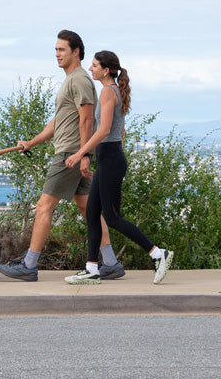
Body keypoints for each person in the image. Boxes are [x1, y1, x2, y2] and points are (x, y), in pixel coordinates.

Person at [0, 29, 121, 282]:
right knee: (88, 207)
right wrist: (32, 142)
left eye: (61, 49)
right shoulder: (71, 80)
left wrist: (82, 155)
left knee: (44, 206)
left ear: (76, 52)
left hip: (70, 154)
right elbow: (60, 120)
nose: (57, 54)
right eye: (55, 49)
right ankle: (110, 262)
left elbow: (87, 118)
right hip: (73, 152)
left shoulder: (79, 79)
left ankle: (29, 265)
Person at [61, 50, 174, 285]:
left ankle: (157, 253)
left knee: (112, 217)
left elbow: (103, 130)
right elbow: (118, 131)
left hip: (111, 160)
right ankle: (92, 268)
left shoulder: (107, 92)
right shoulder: (113, 91)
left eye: (94, 65)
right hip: (109, 159)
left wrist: (81, 154)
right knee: (92, 213)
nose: (90, 69)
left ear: (106, 70)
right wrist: (101, 158)